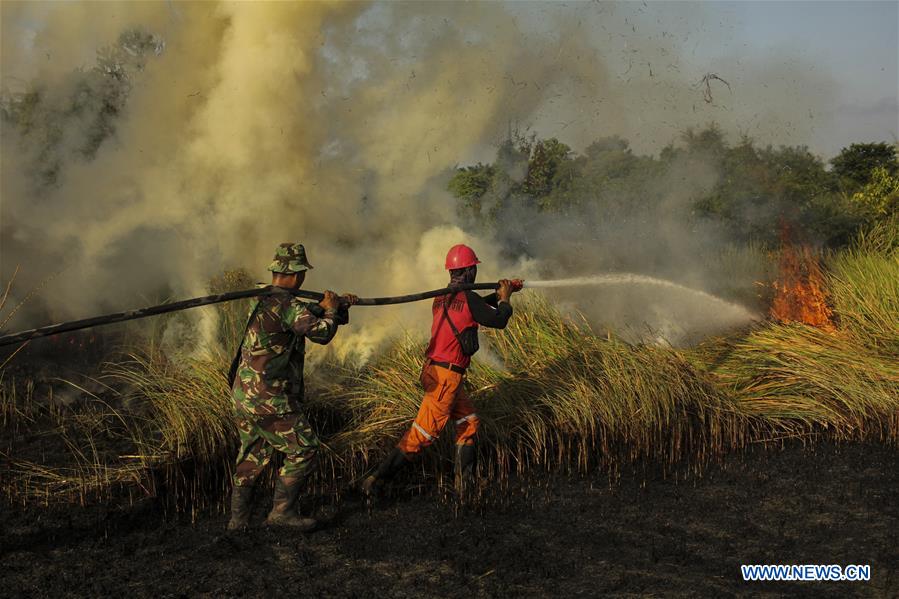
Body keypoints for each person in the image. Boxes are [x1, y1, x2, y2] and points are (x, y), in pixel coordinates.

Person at [361, 244, 520, 498]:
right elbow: (498, 320)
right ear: (469, 271)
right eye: (473, 269)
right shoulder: (467, 298)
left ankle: (464, 486)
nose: (474, 273)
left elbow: (475, 305)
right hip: (446, 378)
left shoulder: (442, 297)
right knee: (422, 435)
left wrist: (501, 292)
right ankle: (376, 480)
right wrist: (504, 299)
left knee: (468, 422)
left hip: (437, 371)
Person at [227, 242, 357, 531]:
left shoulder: (260, 299)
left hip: (244, 396)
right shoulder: (287, 305)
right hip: (269, 397)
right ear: (298, 274)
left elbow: (303, 315)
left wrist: (336, 307)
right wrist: (331, 312)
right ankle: (282, 514)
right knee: (305, 448)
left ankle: (238, 522)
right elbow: (321, 332)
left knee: (251, 454)